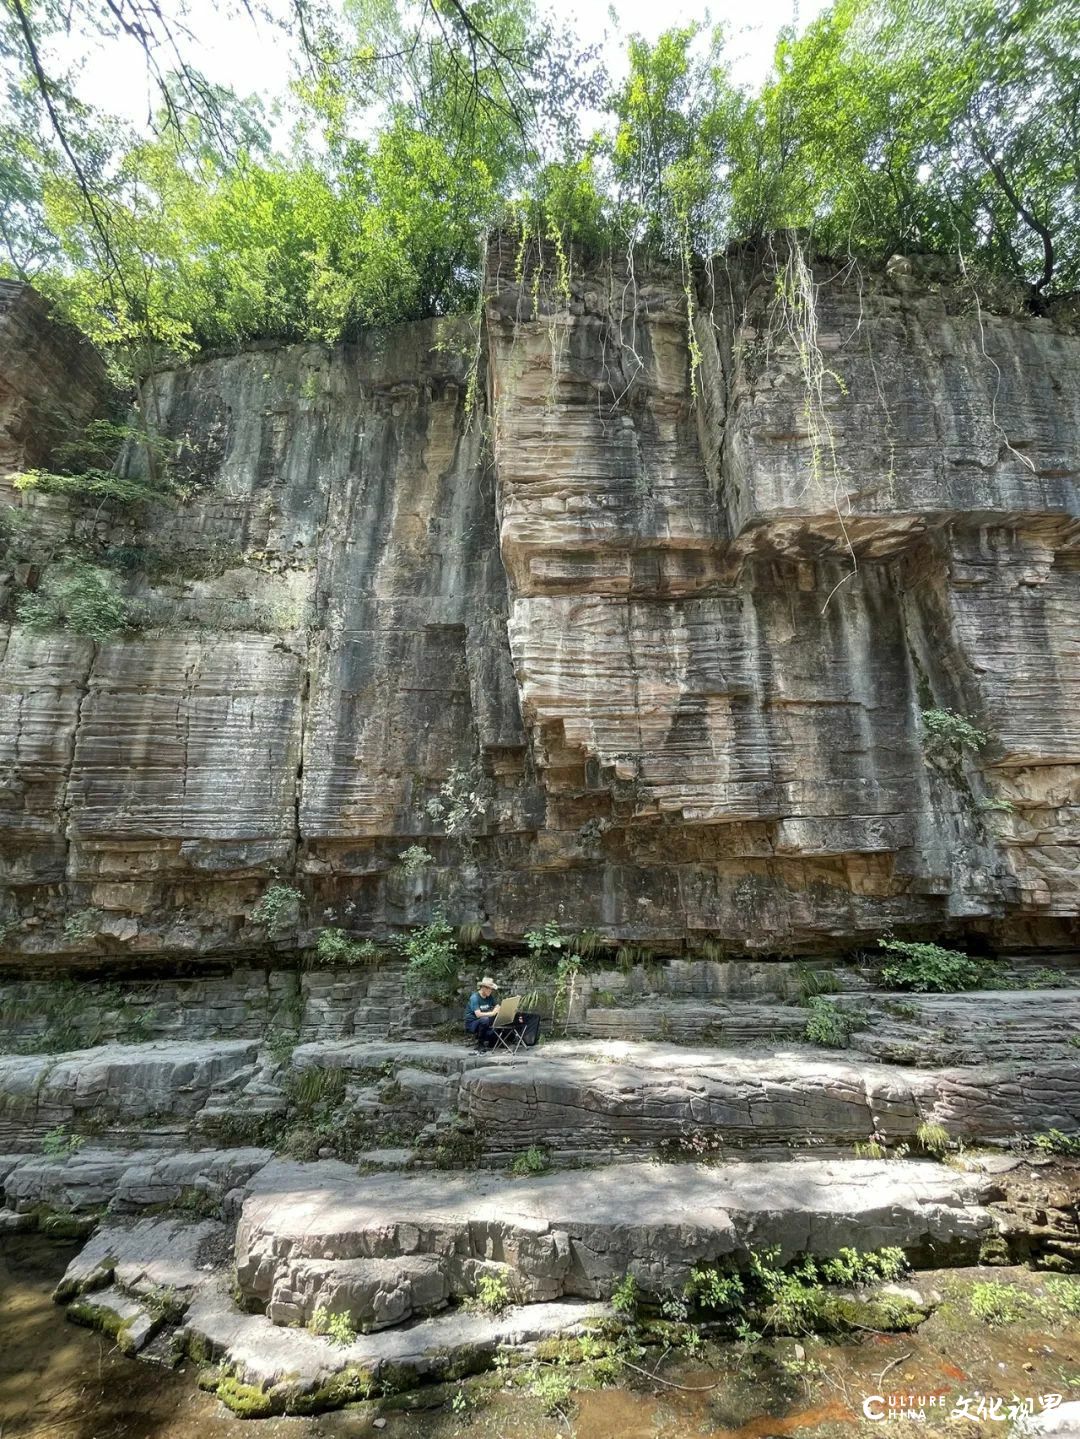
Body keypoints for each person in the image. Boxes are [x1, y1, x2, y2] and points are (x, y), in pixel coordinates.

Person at [464, 976, 500, 1049]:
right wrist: (493, 1013)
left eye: (491, 989)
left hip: (484, 1021)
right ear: (483, 987)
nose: (490, 990)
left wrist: (497, 1008)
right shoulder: (475, 998)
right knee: (485, 1019)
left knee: (495, 1018)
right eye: (488, 988)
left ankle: (492, 1042)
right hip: (472, 1023)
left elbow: (497, 1006)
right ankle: (480, 1044)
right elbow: (478, 1014)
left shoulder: (489, 997)